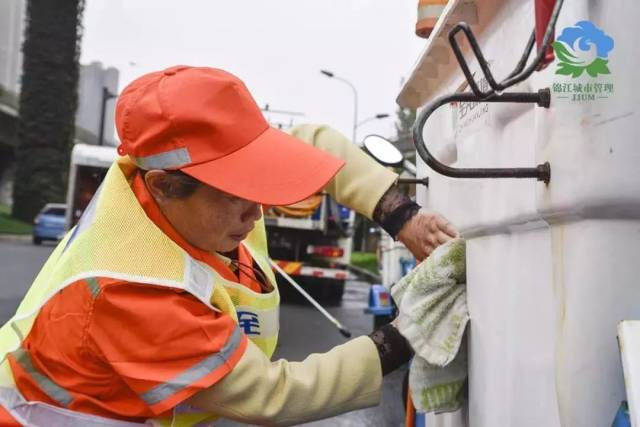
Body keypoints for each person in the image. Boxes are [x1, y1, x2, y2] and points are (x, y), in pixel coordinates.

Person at [0, 66, 457, 426]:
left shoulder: (186, 185)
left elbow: (317, 143)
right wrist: (405, 336)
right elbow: (273, 394)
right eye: (236, 192)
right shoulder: (133, 289)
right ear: (162, 186)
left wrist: (402, 216)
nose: (255, 212)